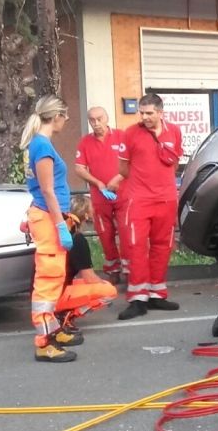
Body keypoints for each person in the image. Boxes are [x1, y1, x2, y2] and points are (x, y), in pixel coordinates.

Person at [109, 93, 184, 320]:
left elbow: (175, 162)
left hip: (167, 198)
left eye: (150, 113)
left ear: (161, 113)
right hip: (139, 200)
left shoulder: (175, 131)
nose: (145, 117)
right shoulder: (131, 133)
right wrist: (143, 183)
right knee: (136, 246)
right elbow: (123, 168)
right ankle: (137, 298)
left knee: (163, 245)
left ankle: (156, 293)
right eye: (142, 113)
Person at [20, 94, 82, 362]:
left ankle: (53, 331)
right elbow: (47, 190)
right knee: (48, 281)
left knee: (54, 278)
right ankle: (43, 343)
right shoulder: (43, 147)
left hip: (45, 216)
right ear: (56, 116)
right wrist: (60, 224)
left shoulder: (37, 144)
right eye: (65, 116)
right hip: (48, 218)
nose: (67, 121)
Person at [75, 106, 128, 285]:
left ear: (107, 118)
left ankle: (130, 269)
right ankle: (113, 269)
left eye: (99, 119)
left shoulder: (122, 136)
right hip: (100, 196)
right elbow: (79, 168)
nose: (96, 123)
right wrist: (97, 183)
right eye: (92, 120)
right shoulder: (85, 142)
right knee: (105, 234)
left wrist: (117, 179)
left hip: (123, 193)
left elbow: (134, 161)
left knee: (127, 231)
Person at [54, 195, 119, 334]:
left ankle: (61, 312)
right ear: (86, 215)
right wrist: (102, 283)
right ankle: (65, 315)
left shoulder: (60, 233)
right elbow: (89, 277)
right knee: (108, 291)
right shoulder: (78, 239)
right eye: (91, 209)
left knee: (82, 283)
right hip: (55, 295)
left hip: (45, 291)